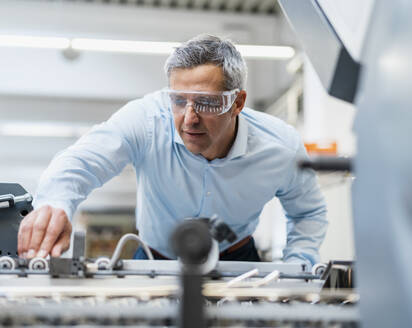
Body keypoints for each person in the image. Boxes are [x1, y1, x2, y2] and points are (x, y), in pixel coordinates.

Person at [17, 34, 327, 268]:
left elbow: (308, 212)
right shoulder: (147, 120)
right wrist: (55, 204)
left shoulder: (280, 147)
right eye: (179, 100)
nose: (189, 118)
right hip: (155, 256)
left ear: (238, 102)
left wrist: (295, 266)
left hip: (236, 258)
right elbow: (80, 163)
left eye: (206, 102)